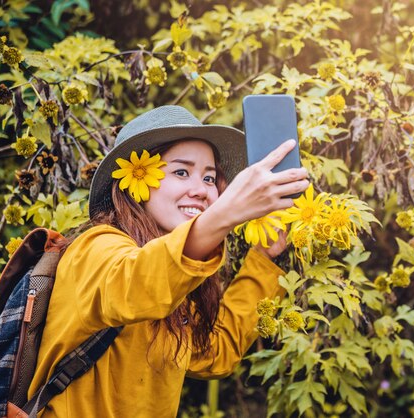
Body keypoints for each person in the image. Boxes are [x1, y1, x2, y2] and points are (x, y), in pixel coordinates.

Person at [27, 105, 309, 417]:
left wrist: (263, 258)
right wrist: (224, 216)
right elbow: (135, 287)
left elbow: (215, 351)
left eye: (210, 178)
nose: (201, 190)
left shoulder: (173, 276)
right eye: (180, 172)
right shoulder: (97, 247)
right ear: (137, 182)